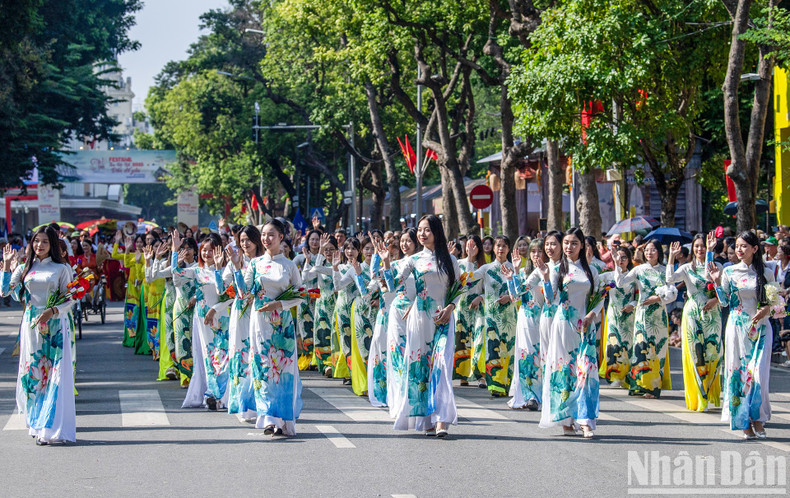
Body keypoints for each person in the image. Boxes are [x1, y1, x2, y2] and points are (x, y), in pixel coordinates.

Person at [380, 214, 460, 437]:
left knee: (441, 365)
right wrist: (386, 262)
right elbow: (393, 285)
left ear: (436, 232)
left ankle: (442, 418)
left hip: (443, 318)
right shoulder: (414, 260)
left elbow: (459, 288)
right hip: (420, 319)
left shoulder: (450, 260)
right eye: (420, 230)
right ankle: (425, 419)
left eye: (427, 230)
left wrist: (451, 307)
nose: (423, 234)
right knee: (421, 367)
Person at [2, 227, 76, 445]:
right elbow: (6, 291)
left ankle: (49, 426)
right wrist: (7, 265)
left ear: (52, 244)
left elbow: (71, 297)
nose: (39, 246)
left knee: (53, 375)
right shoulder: (27, 267)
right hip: (31, 324)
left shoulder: (61, 268)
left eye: (44, 242)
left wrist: (52, 311)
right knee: (33, 374)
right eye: (36, 241)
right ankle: (36, 423)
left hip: (54, 324)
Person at [236, 218, 303, 436]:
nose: (266, 238)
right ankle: (267, 417)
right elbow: (244, 292)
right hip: (260, 324)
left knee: (282, 370)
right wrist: (238, 270)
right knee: (263, 367)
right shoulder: (255, 264)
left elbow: (301, 295)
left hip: (282, 325)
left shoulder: (289, 265)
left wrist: (279, 304)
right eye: (264, 234)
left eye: (271, 234)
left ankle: (281, 418)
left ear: (281, 237)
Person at [535, 227, 602, 438]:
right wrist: (546, 278)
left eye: (574, 243)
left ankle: (585, 420)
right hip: (563, 326)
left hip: (585, 327)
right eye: (566, 243)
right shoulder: (557, 270)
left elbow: (599, 298)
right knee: (565, 370)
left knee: (586, 371)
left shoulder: (590, 271)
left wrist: (591, 315)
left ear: (582, 245)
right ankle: (566, 421)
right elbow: (549, 298)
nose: (569, 247)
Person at [708, 231, 775, 439]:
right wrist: (717, 282)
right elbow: (725, 302)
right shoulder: (729, 272)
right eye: (737, 246)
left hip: (761, 330)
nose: (739, 249)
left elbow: (773, 303)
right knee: (738, 374)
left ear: (755, 249)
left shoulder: (767, 272)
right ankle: (743, 422)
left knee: (758, 376)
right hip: (737, 328)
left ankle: (758, 419)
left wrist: (767, 310)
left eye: (744, 246)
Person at [171, 231, 231, 411]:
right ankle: (211, 394)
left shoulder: (226, 271)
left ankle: (221, 394)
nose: (206, 254)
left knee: (222, 356)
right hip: (202, 319)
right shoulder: (197, 271)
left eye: (211, 250)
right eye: (204, 250)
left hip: (220, 318)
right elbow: (176, 275)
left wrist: (219, 269)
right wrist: (175, 252)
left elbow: (225, 293)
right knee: (207, 357)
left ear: (218, 252)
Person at [613, 239, 676, 399]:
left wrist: (658, 298)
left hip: (658, 316)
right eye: (647, 250)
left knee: (657, 350)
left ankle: (653, 388)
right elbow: (620, 283)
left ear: (659, 252)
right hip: (641, 315)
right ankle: (640, 385)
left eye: (653, 250)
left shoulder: (664, 270)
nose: (649, 253)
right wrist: (616, 264)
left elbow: (672, 292)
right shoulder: (639, 270)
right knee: (640, 348)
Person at [666, 234, 722, 412]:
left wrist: (715, 301)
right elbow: (669, 279)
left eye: (703, 246)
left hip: (712, 315)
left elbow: (710, 278)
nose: (700, 249)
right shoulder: (686, 268)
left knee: (713, 353)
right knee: (696, 354)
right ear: (692, 249)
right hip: (693, 314)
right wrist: (671, 256)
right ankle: (700, 396)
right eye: (697, 246)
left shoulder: (716, 266)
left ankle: (710, 391)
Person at [367, 230, 419, 407]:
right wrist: (380, 257)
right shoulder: (396, 264)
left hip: (417, 313)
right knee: (394, 354)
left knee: (413, 355)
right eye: (402, 241)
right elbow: (380, 280)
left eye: (408, 241)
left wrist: (417, 304)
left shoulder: (421, 263)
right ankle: (395, 396)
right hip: (395, 314)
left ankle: (413, 395)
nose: (404, 245)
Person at [224, 225, 264, 419]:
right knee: (240, 354)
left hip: (259, 312)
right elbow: (224, 288)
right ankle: (243, 404)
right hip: (240, 313)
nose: (245, 244)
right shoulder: (234, 262)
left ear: (257, 240)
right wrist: (230, 268)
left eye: (248, 239)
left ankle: (260, 402)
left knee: (257, 354)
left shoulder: (264, 262)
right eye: (242, 240)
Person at [504, 237, 546, 410]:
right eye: (533, 251)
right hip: (527, 318)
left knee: (544, 354)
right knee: (528, 354)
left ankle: (545, 393)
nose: (536, 255)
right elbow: (514, 297)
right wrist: (513, 272)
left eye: (539, 251)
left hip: (545, 317)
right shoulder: (523, 273)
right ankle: (530, 396)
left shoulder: (551, 271)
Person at [472, 236, 517, 397]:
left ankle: (506, 383)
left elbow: (520, 292)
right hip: (491, 316)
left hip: (509, 317)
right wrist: (470, 258)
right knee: (493, 350)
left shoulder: (513, 268)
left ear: (509, 249)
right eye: (498, 245)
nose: (501, 249)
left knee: (507, 349)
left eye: (504, 246)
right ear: (494, 248)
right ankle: (495, 385)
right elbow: (469, 279)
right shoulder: (486, 268)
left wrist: (509, 297)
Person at [598, 245, 637, 388]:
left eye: (624, 257)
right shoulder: (609, 275)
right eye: (618, 257)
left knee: (627, 344)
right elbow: (593, 283)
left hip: (629, 314)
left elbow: (638, 295)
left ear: (629, 260)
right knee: (613, 343)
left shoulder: (634, 276)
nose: (620, 260)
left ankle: (626, 374)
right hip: (614, 313)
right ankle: (614, 375)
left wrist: (632, 304)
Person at [302, 234, 338, 376]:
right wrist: (308, 260)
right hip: (322, 304)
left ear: (337, 250)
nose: (328, 252)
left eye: (331, 249)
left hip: (335, 303)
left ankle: (335, 364)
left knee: (335, 335)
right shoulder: (319, 265)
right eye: (326, 250)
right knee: (322, 334)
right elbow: (306, 277)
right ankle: (324, 365)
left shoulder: (340, 266)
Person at [145, 241, 179, 381]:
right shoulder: (166, 265)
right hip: (169, 302)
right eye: (173, 251)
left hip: (188, 303)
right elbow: (150, 278)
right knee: (169, 335)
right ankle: (169, 365)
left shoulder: (194, 265)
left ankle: (185, 368)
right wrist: (154, 260)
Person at [453, 235, 485, 386]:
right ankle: (464, 373)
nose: (470, 249)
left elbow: (489, 289)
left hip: (478, 307)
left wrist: (481, 297)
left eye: (474, 246)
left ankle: (480, 375)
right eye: (467, 246)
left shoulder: (484, 267)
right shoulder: (459, 264)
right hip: (461, 307)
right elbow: (463, 281)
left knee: (479, 339)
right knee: (462, 340)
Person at [349, 237, 377, 396]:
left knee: (376, 346)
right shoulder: (355, 267)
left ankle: (377, 382)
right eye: (366, 248)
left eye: (373, 249)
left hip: (377, 310)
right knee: (363, 347)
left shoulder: (381, 268)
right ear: (361, 250)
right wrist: (335, 269)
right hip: (361, 311)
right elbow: (338, 285)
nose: (370, 252)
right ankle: (364, 383)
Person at [171, 236, 198, 387]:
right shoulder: (178, 268)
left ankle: (196, 377)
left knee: (195, 342)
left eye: (189, 248)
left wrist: (195, 297)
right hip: (181, 308)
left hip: (196, 308)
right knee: (182, 342)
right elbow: (176, 281)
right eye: (183, 249)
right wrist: (174, 257)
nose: (186, 251)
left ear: (195, 250)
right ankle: (185, 377)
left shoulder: (199, 266)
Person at [293, 229, 322, 371]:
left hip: (320, 297)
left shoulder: (323, 257)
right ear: (308, 241)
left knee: (319, 327)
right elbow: (292, 271)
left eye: (317, 239)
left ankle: (318, 358)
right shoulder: (300, 258)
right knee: (304, 328)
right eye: (312, 239)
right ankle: (307, 356)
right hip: (304, 298)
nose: (314, 242)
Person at [112, 231, 145, 349]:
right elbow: (115, 255)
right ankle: (131, 338)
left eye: (142, 242)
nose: (140, 244)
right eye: (138, 242)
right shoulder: (132, 254)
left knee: (140, 313)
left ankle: (140, 339)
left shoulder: (147, 256)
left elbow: (141, 273)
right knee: (131, 313)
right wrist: (121, 245)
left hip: (142, 287)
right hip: (131, 289)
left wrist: (137, 262)